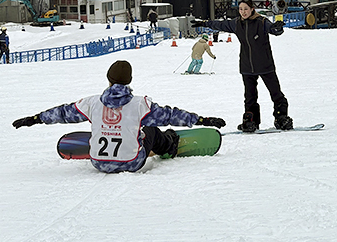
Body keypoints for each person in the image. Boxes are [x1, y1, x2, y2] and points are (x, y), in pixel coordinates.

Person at [12, 60, 226, 173]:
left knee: (100, 125)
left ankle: (98, 146)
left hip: (98, 163)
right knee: (151, 129)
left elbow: (62, 113)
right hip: (132, 163)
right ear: (129, 81)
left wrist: (35, 118)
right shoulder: (141, 104)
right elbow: (171, 115)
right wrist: (201, 120)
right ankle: (169, 144)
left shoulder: (92, 103)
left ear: (109, 79)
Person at [192, 0, 292, 132]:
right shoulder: (236, 24)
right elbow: (220, 25)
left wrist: (277, 28)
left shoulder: (261, 21)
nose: (243, 12)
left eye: (246, 9)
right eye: (240, 9)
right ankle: (251, 120)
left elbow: (273, 30)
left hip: (265, 65)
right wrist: (205, 23)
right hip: (247, 67)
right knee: (250, 97)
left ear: (252, 9)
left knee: (276, 93)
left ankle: (281, 117)